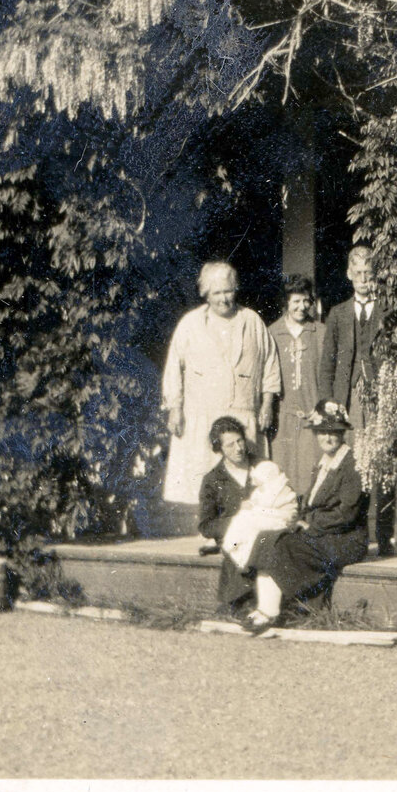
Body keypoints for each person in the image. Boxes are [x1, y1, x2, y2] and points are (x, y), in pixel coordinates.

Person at [160, 261, 281, 519]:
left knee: (246, 480)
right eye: (217, 293)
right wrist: (175, 408)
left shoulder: (252, 321)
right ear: (205, 293)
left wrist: (267, 404)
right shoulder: (190, 324)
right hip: (202, 414)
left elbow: (270, 364)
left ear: (235, 289)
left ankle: (240, 527)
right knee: (204, 477)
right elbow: (173, 368)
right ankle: (209, 526)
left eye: (228, 291)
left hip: (242, 412)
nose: (223, 299)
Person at [242, 406, 367, 633]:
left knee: (284, 545)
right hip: (325, 532)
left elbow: (347, 513)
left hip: (345, 539)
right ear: (316, 434)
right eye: (322, 432)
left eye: (333, 431)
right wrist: (296, 516)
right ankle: (264, 608)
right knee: (266, 538)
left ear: (342, 433)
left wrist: (310, 525)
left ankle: (272, 612)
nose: (327, 437)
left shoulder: (352, 465)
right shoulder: (324, 463)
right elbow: (310, 501)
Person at [318, 245, 396, 554]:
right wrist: (328, 399)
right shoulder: (338, 314)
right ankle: (357, 538)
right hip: (348, 400)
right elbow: (327, 361)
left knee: (383, 463)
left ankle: (385, 536)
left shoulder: (388, 310)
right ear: (349, 275)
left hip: (381, 397)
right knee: (354, 467)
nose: (364, 279)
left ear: (376, 276)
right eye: (359, 273)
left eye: (369, 273)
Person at [196, 417, 261, 613]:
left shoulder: (261, 467)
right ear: (220, 449)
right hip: (233, 535)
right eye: (230, 445)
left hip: (266, 527)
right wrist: (239, 520)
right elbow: (206, 525)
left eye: (240, 441)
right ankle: (238, 602)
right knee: (238, 546)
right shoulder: (213, 480)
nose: (238, 448)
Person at [265, 274, 324, 484]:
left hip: (313, 416)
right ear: (286, 302)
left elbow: (328, 375)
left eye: (306, 301)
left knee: (312, 476)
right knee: (283, 477)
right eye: (296, 301)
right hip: (283, 419)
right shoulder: (272, 333)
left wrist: (322, 408)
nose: (302, 306)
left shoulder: (320, 332)